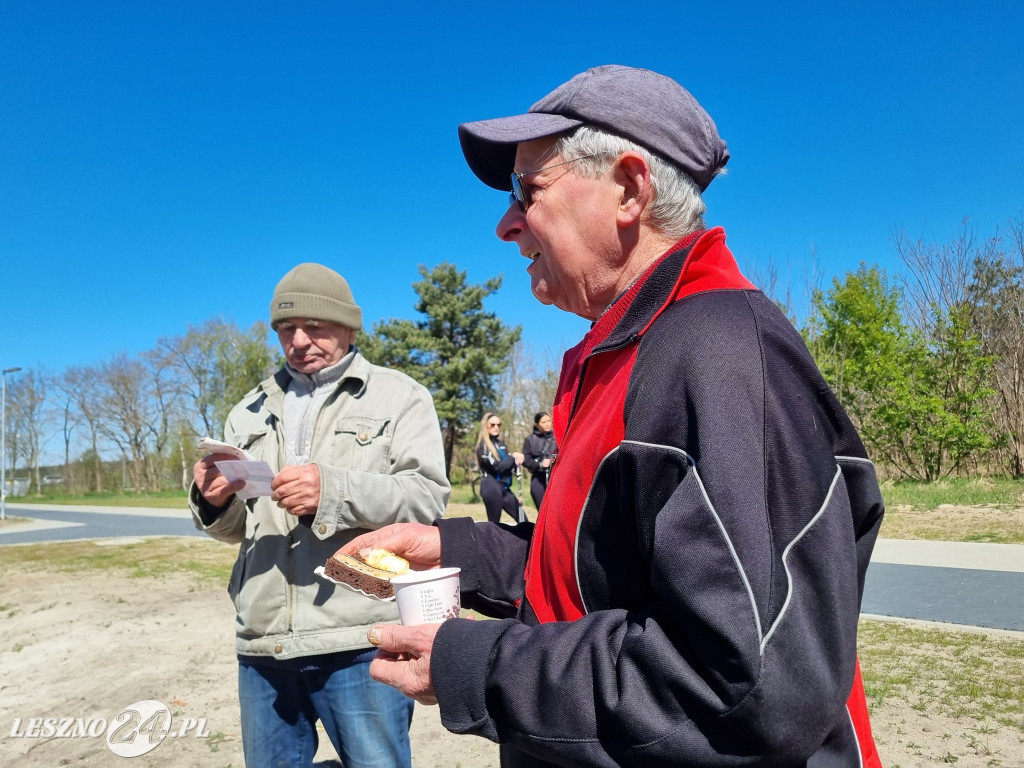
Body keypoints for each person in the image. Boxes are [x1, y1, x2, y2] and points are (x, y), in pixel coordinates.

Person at [335, 65, 886, 767]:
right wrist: (462, 554)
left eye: (526, 191)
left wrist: (476, 664)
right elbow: (604, 571)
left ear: (629, 188)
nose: (506, 224)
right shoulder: (627, 353)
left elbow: (745, 689)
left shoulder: (718, 351)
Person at [190, 263, 449, 768]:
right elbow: (239, 529)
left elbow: (425, 498)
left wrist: (331, 490)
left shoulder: (401, 397)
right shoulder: (247, 411)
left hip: (359, 633)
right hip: (264, 641)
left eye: (316, 327)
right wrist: (213, 501)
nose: (299, 340)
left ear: (350, 328)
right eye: (286, 329)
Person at [475, 411, 524, 523]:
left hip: (505, 489)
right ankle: (486, 540)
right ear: (485, 426)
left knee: (523, 521)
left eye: (499, 424)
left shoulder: (501, 444)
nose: (496, 427)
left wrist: (517, 462)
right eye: (492, 425)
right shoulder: (483, 446)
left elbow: (509, 464)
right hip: (491, 488)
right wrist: (513, 457)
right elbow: (498, 467)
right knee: (494, 525)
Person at [520, 411, 555, 509]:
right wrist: (540, 464)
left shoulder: (557, 437)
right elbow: (526, 460)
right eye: (543, 422)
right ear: (537, 424)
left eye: (549, 421)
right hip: (538, 477)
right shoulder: (529, 440)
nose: (548, 424)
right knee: (541, 509)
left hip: (555, 477)